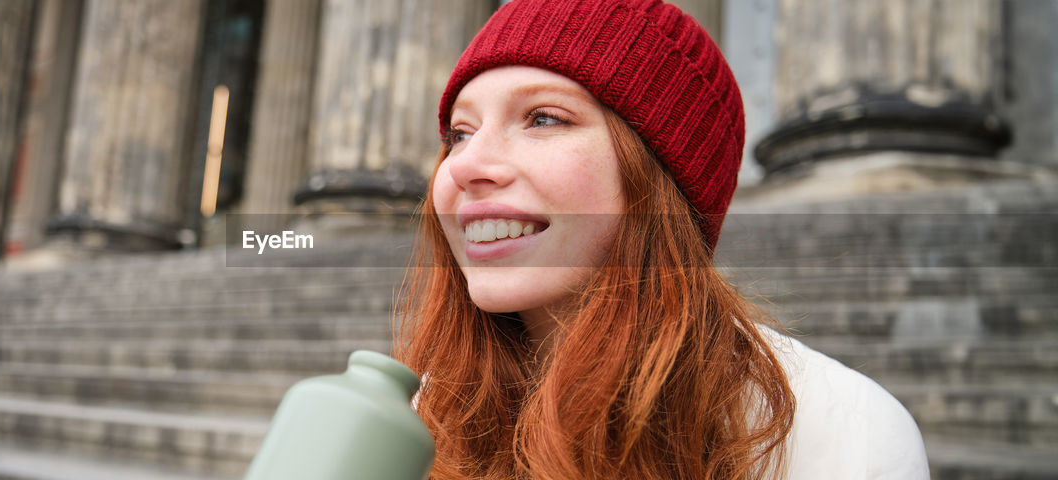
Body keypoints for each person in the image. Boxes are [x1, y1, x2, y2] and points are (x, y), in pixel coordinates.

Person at [395, 0, 929, 478]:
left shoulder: (846, 434)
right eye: (459, 134)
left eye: (543, 118)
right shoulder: (417, 421)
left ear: (659, 181)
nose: (466, 166)